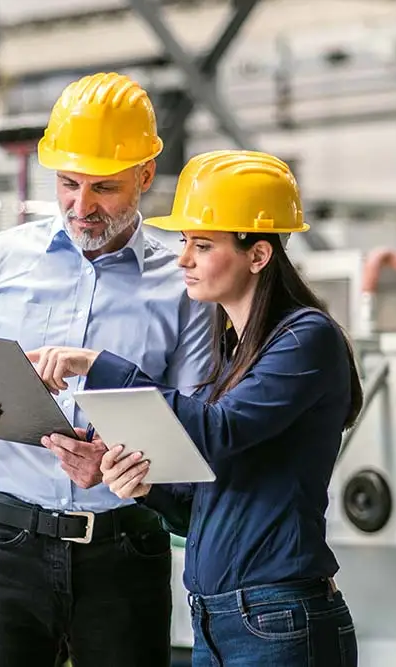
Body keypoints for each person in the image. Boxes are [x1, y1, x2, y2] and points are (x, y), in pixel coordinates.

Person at [0, 72, 213, 667]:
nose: (82, 207)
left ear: (146, 176)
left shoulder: (183, 282)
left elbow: (196, 432)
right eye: (69, 184)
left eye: (103, 187)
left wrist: (115, 459)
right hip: (6, 543)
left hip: (126, 547)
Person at [28, 149, 364, 667]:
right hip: (219, 619)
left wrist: (98, 365)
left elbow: (217, 431)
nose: (183, 258)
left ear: (258, 255)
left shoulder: (305, 339)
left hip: (278, 619)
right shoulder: (233, 352)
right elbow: (204, 503)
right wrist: (144, 485)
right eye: (185, 241)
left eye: (203, 245)